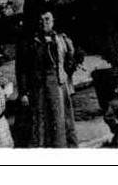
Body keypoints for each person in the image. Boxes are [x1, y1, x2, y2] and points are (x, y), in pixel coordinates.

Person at [18, 9, 79, 147]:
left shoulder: (61, 39)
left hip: (57, 86)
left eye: (47, 19)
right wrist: (24, 92)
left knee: (59, 120)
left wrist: (68, 67)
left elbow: (70, 63)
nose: (44, 23)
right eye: (41, 20)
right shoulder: (31, 42)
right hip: (38, 87)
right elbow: (23, 69)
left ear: (53, 22)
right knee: (40, 121)